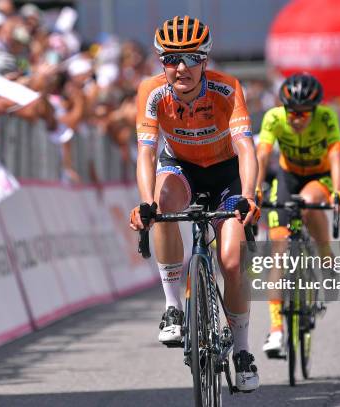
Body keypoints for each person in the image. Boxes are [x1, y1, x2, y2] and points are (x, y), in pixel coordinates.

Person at [128, 16, 260, 391]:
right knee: (162, 202)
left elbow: (246, 147)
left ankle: (242, 351)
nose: (181, 67)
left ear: (206, 60)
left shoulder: (227, 88)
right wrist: (145, 202)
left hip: (226, 174)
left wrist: (248, 195)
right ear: (161, 62)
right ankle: (173, 307)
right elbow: (146, 153)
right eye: (171, 59)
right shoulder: (152, 92)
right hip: (180, 167)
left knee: (232, 261)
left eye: (191, 58)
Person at [255, 73, 340, 358]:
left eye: (303, 113)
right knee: (279, 252)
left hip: (319, 177)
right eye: (292, 112)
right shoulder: (273, 117)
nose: (297, 118)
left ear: (314, 110)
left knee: (308, 202)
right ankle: (275, 330)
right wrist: (256, 188)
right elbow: (262, 155)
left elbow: (335, 157)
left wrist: (338, 192)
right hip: (288, 176)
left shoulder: (326, 118)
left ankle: (325, 255)